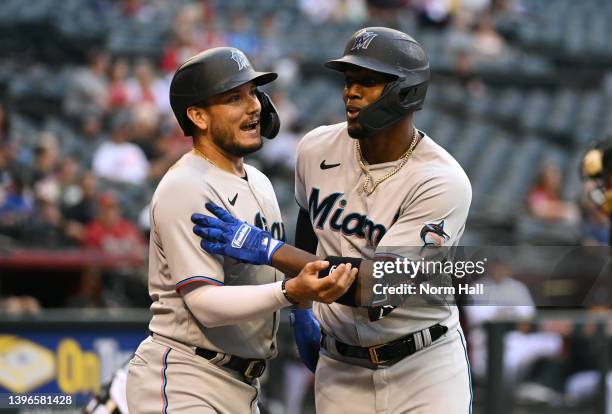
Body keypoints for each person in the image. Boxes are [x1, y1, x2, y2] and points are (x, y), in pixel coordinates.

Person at [192, 28, 473, 413]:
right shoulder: (316, 148)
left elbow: (378, 286)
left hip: (423, 366)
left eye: (368, 82)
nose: (350, 92)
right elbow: (310, 229)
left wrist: (269, 250)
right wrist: (303, 309)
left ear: (407, 91)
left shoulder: (441, 181)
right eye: (349, 80)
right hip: (341, 366)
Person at [125, 47, 357, 414]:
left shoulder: (260, 181)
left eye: (253, 93)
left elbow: (269, 267)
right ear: (198, 116)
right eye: (234, 97)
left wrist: (301, 307)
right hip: (188, 377)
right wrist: (288, 292)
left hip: (241, 384)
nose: (254, 107)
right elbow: (205, 305)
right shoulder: (187, 186)